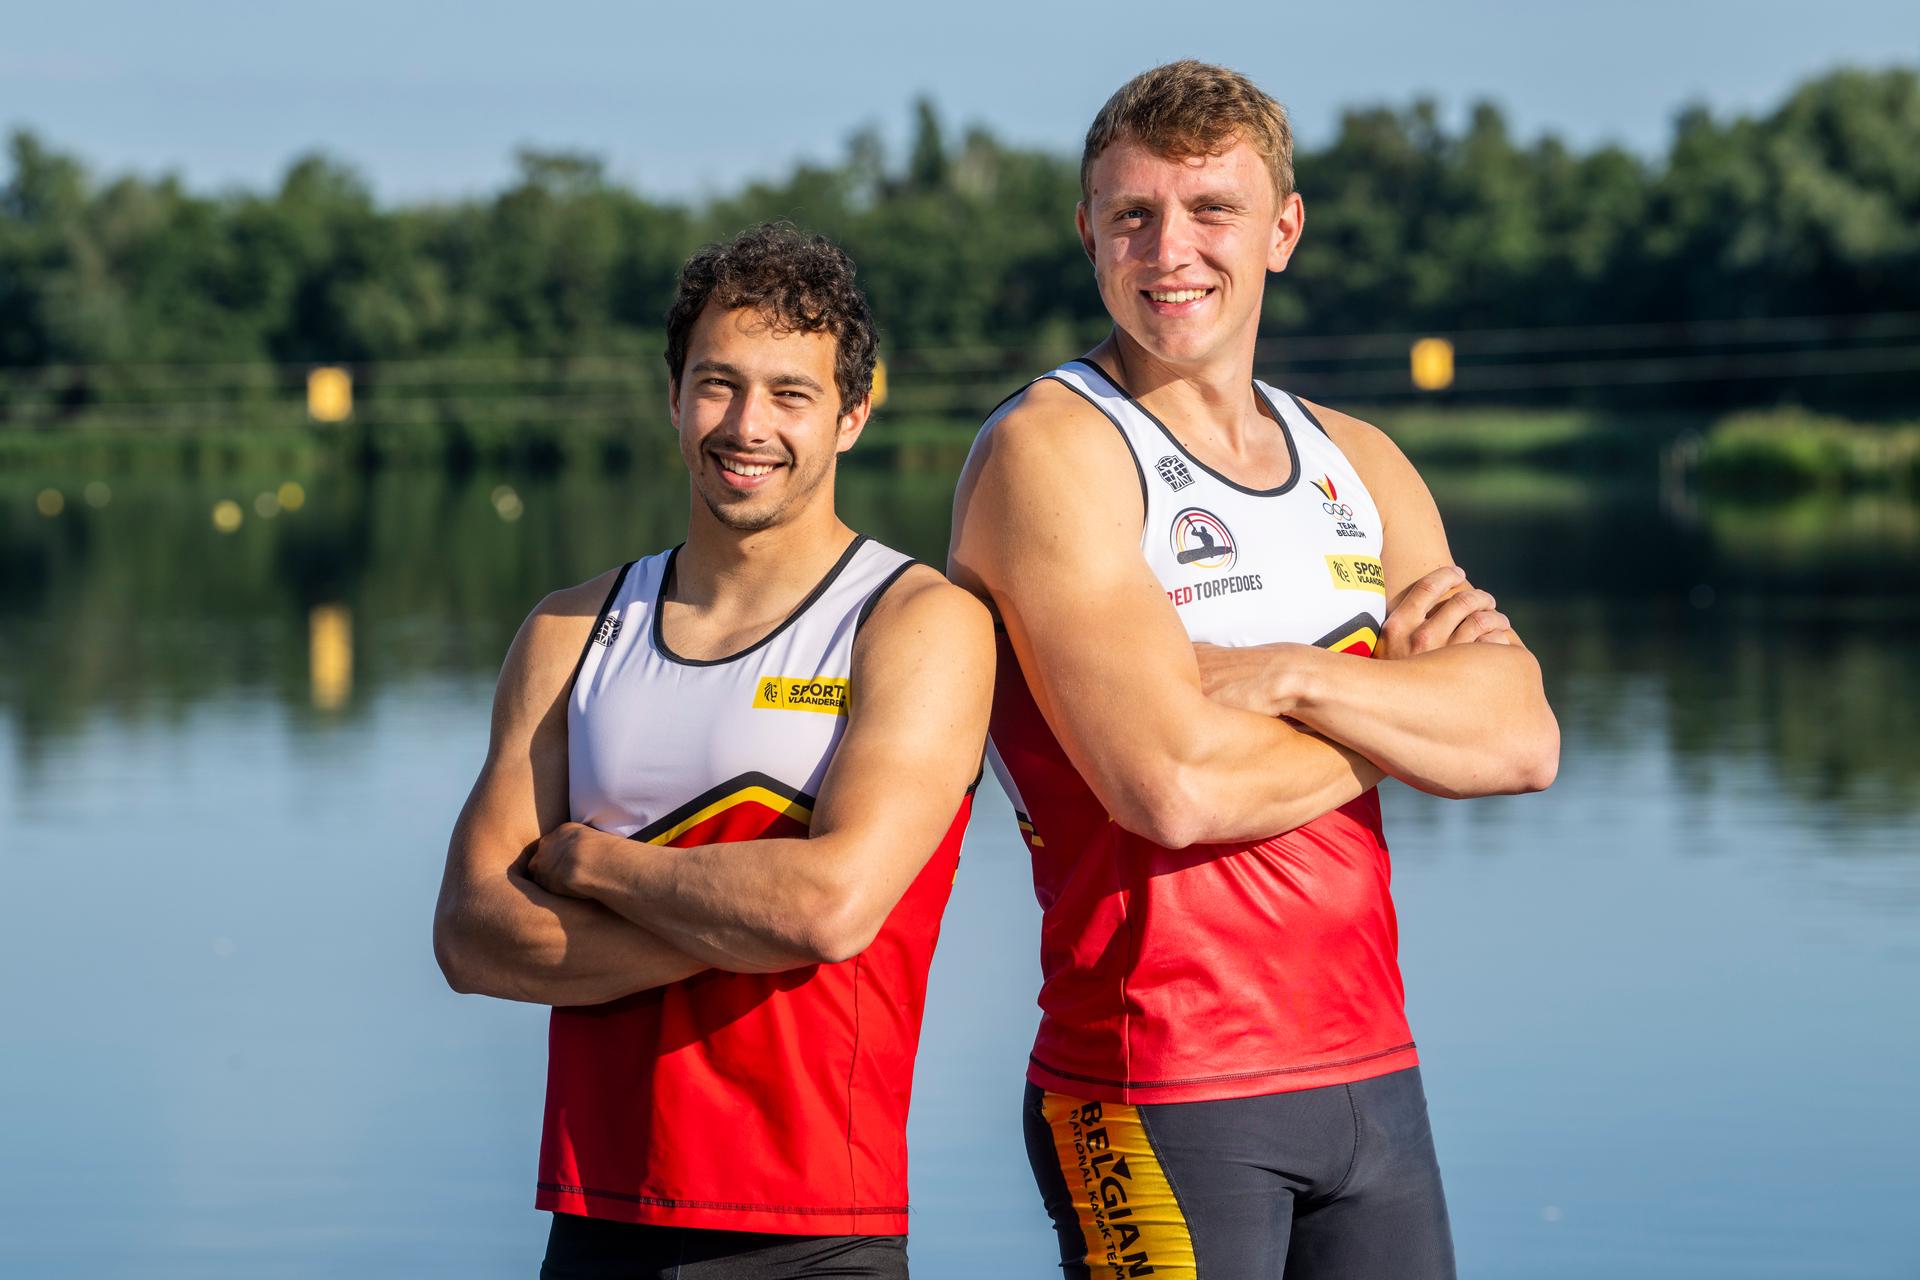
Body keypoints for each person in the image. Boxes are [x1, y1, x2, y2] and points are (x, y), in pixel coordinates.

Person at [948, 62, 1560, 1280]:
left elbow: (1522, 741)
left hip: (1372, 1076)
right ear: (1088, 232)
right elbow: (1172, 783)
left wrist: (1288, 673)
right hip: (1154, 1078)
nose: (1170, 248)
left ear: (1282, 228)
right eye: (1132, 214)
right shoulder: (1052, 450)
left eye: (1210, 209)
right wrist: (1411, 717)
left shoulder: (1361, 460)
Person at [435, 223, 993, 1279]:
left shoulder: (917, 620)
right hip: (597, 1219)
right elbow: (472, 936)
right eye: (716, 384)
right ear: (673, 395)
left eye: (791, 392)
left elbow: (829, 907)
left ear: (853, 415)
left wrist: (594, 864)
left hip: (818, 1230)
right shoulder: (569, 629)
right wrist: (748, 919)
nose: (747, 425)